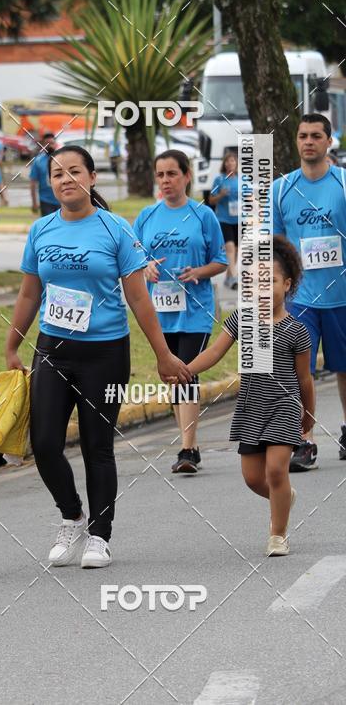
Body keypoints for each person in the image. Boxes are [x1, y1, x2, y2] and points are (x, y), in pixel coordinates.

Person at [5, 145, 193, 569]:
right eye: (57, 175)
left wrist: (163, 355)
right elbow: (30, 292)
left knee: (97, 446)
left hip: (105, 353)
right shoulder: (41, 231)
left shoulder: (115, 229)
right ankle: (72, 515)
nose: (66, 179)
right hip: (54, 350)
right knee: (46, 442)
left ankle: (99, 536)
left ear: (91, 178)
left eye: (74, 171)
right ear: (49, 184)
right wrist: (13, 342)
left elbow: (139, 298)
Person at [186, 236, 314, 556]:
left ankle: (277, 535)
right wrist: (184, 370)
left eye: (269, 280)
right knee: (253, 478)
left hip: (284, 408)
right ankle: (285, 496)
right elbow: (214, 352)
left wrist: (308, 413)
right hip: (251, 407)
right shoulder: (241, 320)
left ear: (286, 284)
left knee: (275, 471)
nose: (262, 287)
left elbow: (305, 379)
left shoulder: (297, 331)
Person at [134, 150, 228, 474]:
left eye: (172, 174)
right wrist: (145, 268)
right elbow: (133, 260)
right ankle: (189, 443)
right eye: (160, 175)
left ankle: (188, 450)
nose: (165, 181)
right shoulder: (146, 216)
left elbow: (221, 260)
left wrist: (199, 272)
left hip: (196, 309)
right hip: (160, 310)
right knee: (173, 375)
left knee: (187, 371)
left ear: (187, 176)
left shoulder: (203, 216)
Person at [273, 113, 346, 472]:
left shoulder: (344, 184)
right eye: (303, 135)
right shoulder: (282, 188)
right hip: (300, 298)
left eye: (316, 136)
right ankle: (305, 439)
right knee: (298, 371)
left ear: (329, 141)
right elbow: (273, 244)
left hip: (342, 295)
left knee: (344, 368)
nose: (308, 142)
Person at [209, 150, 239, 289]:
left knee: (236, 250)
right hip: (223, 219)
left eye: (233, 160)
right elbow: (211, 200)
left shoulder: (242, 180)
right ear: (224, 164)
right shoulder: (219, 180)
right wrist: (221, 194)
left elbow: (251, 198)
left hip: (239, 220)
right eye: (227, 161)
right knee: (230, 248)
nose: (230, 163)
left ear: (237, 163)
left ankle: (228, 278)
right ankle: (234, 278)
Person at [30, 133, 58, 216]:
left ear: (56, 144)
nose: (49, 146)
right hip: (45, 200)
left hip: (62, 200)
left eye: (52, 143)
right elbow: (33, 183)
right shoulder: (38, 161)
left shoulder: (62, 160)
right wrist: (34, 202)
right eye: (47, 144)